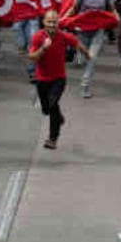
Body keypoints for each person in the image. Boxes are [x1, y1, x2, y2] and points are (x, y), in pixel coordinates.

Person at [28, 9, 90, 148]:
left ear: (58, 23)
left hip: (58, 79)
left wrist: (87, 55)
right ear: (44, 22)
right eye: (49, 22)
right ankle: (59, 117)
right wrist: (43, 48)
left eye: (54, 22)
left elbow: (77, 43)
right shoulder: (38, 37)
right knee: (46, 109)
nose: (52, 25)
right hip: (42, 79)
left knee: (53, 105)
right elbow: (32, 57)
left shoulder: (63, 36)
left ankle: (52, 139)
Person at [64, 0, 117, 99]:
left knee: (92, 57)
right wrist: (63, 19)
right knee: (83, 53)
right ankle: (79, 53)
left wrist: (117, 18)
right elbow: (74, 9)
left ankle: (85, 83)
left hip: (98, 30)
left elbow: (111, 9)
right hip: (82, 29)